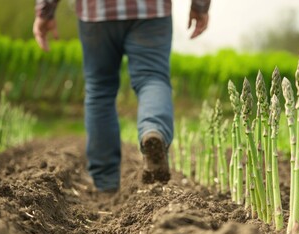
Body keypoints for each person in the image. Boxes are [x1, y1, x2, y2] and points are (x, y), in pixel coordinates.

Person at [33, 0, 210, 193]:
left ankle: (105, 181)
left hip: (96, 12)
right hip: (152, 11)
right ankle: (154, 130)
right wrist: (200, 7)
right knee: (152, 78)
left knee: (100, 89)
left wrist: (45, 12)